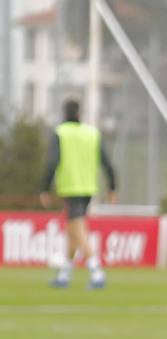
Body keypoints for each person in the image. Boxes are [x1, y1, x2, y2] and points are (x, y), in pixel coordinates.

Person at [39, 99, 118, 290]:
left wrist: (44, 187)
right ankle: (65, 274)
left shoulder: (61, 133)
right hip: (88, 187)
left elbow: (52, 162)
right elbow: (107, 162)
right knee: (72, 230)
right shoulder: (91, 133)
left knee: (78, 229)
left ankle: (96, 271)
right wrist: (112, 187)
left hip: (71, 187)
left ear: (64, 113)